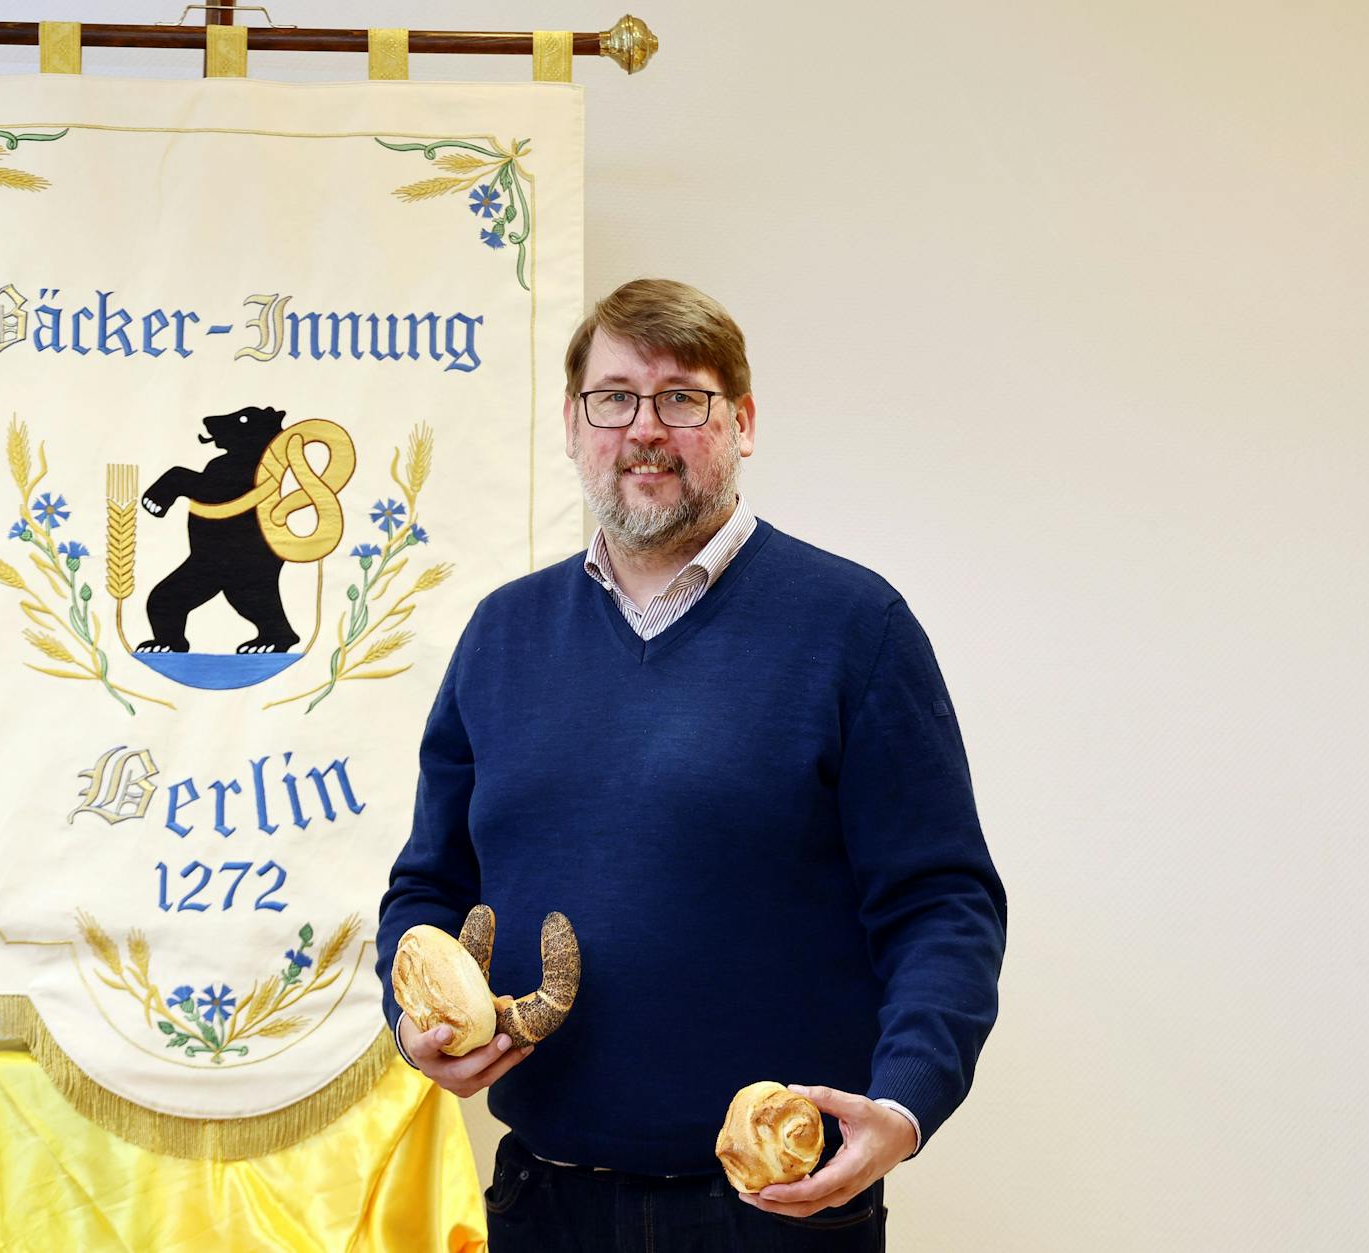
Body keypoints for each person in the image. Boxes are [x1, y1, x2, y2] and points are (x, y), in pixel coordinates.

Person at [374, 278, 1006, 1251]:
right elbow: (428, 884)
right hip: (544, 1203)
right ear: (574, 423)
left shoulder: (853, 627)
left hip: (774, 1209)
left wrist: (907, 1098)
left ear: (741, 421)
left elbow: (940, 901)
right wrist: (410, 1008)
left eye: (682, 397)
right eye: (614, 396)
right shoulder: (501, 634)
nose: (644, 428)